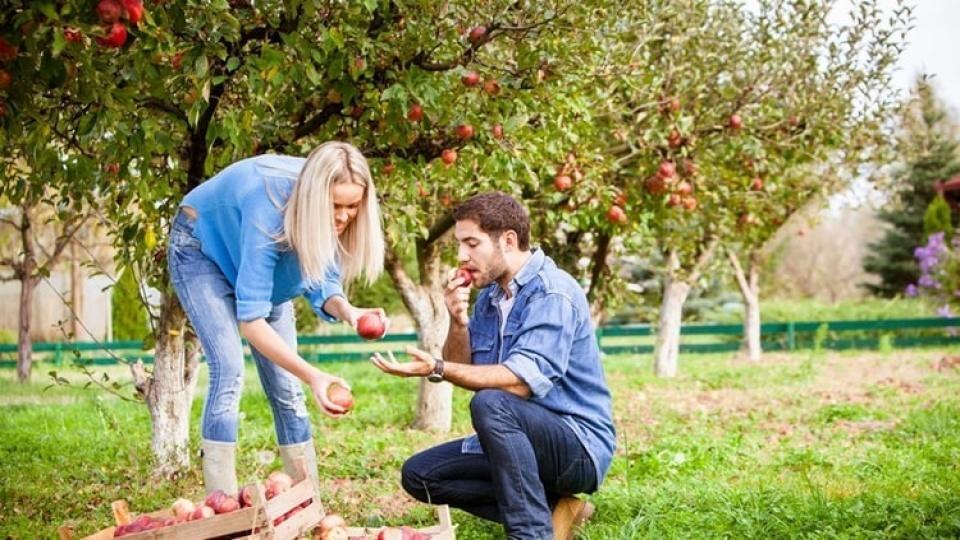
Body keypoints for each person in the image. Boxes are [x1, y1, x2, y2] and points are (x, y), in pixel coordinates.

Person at [371, 192, 616, 540]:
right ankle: (554, 509)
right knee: (421, 475)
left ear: (509, 240)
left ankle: (530, 534)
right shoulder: (490, 298)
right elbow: (464, 370)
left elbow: (516, 384)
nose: (461, 256)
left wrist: (436, 367)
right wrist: (457, 322)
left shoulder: (552, 293)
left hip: (577, 446)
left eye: (472, 243)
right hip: (519, 438)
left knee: (492, 403)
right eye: (459, 244)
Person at [167, 141, 386, 496]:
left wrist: (350, 311)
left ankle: (306, 499)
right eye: (335, 206)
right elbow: (251, 321)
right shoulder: (267, 204)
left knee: (287, 388)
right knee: (229, 369)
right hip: (201, 248)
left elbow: (321, 278)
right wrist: (314, 374)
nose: (344, 216)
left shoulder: (323, 206)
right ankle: (221, 506)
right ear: (316, 198)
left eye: (353, 206)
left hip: (256, 259)